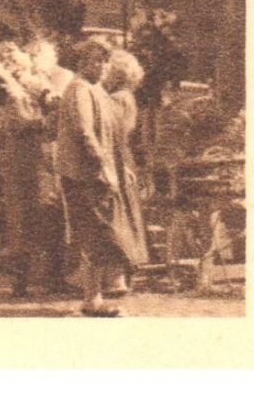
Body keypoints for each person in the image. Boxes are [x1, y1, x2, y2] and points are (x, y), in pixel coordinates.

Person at [55, 39, 135, 317]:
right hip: (83, 175)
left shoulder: (94, 90)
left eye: (105, 61)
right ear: (83, 63)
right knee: (95, 233)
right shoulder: (79, 90)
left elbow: (111, 132)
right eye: (96, 61)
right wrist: (105, 169)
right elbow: (86, 134)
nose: (103, 67)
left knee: (99, 233)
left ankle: (96, 294)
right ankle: (92, 299)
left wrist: (118, 166)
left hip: (95, 173)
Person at [0, 55, 67, 298]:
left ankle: (52, 276)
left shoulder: (38, 89)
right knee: (25, 220)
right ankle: (21, 280)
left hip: (42, 163)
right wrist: (48, 118)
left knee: (50, 215)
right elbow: (21, 124)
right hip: (24, 165)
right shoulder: (10, 92)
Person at [103, 49, 151, 295]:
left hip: (117, 157)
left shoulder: (119, 98)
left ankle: (118, 276)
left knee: (117, 212)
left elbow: (113, 132)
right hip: (121, 155)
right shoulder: (124, 96)